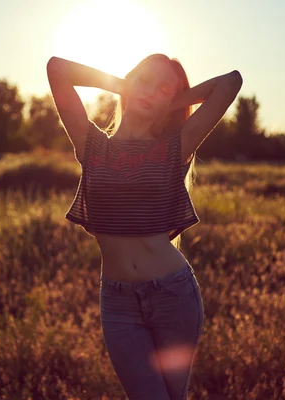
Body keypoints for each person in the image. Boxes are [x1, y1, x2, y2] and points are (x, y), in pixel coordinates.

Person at [46, 54, 242, 399]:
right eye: (144, 80)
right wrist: (127, 86)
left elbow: (231, 82)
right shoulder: (91, 144)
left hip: (174, 295)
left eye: (162, 87)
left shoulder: (174, 146)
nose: (150, 91)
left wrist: (172, 101)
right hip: (118, 302)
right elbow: (56, 68)